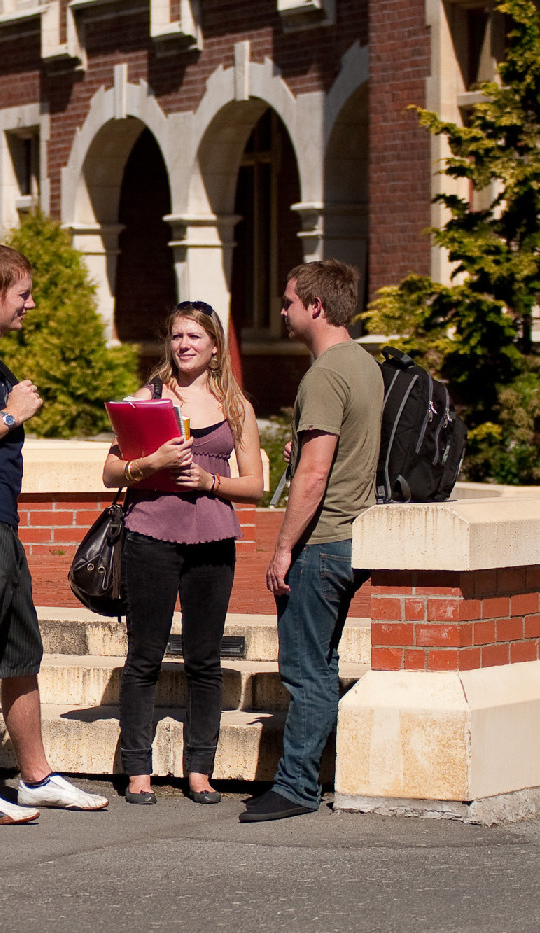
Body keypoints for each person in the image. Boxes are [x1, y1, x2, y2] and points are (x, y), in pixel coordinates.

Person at [0, 243, 109, 824]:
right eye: (23, 294)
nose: (30, 304)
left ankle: (36, 778)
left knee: (20, 656)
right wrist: (11, 414)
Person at [102, 301, 264, 806]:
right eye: (177, 336)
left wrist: (211, 481)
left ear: (215, 346)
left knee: (205, 660)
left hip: (213, 540)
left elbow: (256, 486)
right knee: (144, 656)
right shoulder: (146, 400)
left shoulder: (237, 407)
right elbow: (110, 472)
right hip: (150, 534)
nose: (184, 344)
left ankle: (200, 770)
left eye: (195, 336)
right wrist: (152, 462)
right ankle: (137, 770)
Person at [241, 259, 382, 823]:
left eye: (289, 302)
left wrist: (283, 549)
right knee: (321, 665)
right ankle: (312, 777)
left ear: (316, 307)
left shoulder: (323, 375)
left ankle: (297, 786)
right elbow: (342, 452)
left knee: (306, 671)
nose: (282, 312)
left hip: (321, 543)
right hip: (353, 537)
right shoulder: (364, 364)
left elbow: (316, 474)